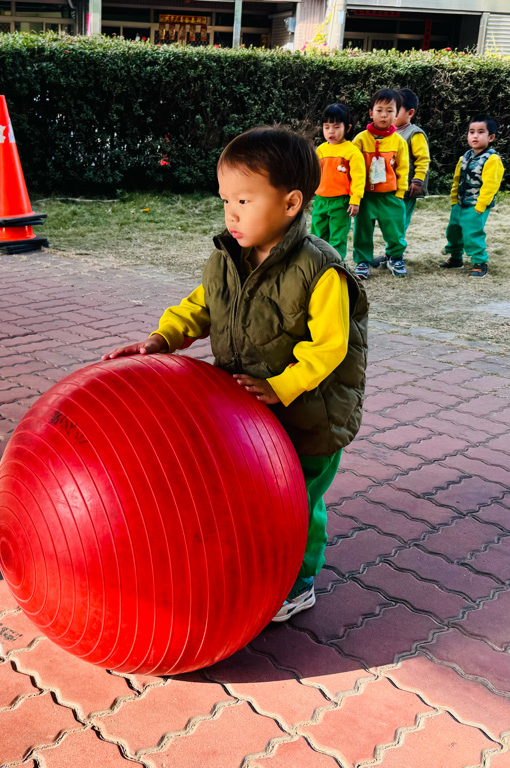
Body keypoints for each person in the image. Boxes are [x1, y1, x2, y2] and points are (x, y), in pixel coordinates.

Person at [103, 126, 369, 623]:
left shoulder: (321, 271)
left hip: (309, 417)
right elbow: (201, 306)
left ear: (290, 203)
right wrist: (162, 338)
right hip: (249, 414)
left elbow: (330, 347)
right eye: (225, 200)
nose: (231, 213)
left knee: (297, 501)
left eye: (244, 200)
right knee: (255, 497)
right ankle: (256, 563)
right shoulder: (227, 258)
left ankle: (299, 582)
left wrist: (280, 387)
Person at [351, 89, 410, 279]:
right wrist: (354, 195)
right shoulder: (360, 139)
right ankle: (362, 261)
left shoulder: (399, 142)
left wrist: (400, 193)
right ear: (371, 113)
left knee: (394, 229)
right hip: (366, 197)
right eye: (379, 110)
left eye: (390, 111)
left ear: (396, 114)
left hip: (390, 196)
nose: (384, 115)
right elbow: (353, 167)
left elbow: (403, 168)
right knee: (362, 231)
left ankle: (395, 257)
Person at [440, 116, 505, 277]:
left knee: (473, 233)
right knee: (453, 231)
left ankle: (479, 262)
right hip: (459, 204)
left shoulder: (492, 159)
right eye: (471, 132)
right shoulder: (465, 157)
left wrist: (480, 206)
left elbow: (491, 186)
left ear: (491, 137)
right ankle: (456, 258)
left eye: (480, 132)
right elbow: (457, 180)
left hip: (476, 205)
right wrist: (454, 201)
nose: (475, 136)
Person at [310, 103, 365, 261]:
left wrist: (355, 200)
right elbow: (313, 174)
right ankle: (317, 262)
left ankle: (335, 264)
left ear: (347, 128)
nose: (331, 132)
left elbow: (358, 178)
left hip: (341, 203)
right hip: (320, 201)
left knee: (337, 236)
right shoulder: (320, 150)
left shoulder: (352, 152)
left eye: (336, 127)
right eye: (326, 127)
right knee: (317, 234)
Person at [394, 88, 432, 231]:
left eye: (397, 110)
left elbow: (423, 159)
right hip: (392, 187)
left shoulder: (414, 134)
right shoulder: (389, 133)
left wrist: (417, 181)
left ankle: (396, 245)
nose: (391, 114)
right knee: (391, 222)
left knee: (400, 222)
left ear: (410, 113)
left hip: (408, 188)